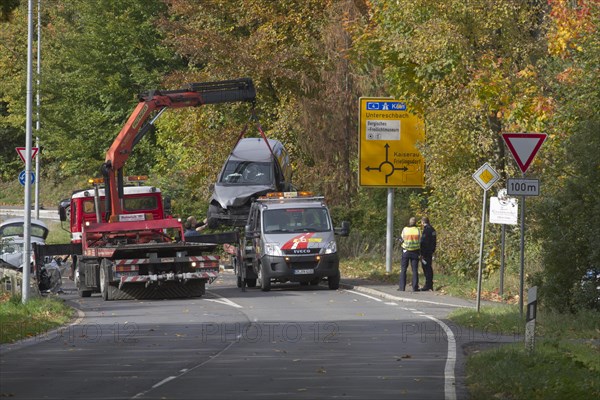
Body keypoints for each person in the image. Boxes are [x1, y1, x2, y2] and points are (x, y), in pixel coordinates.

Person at [398, 217, 421, 292]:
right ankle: (415, 287)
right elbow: (420, 240)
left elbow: (401, 239)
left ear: (409, 222)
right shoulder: (418, 230)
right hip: (415, 251)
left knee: (403, 269)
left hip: (406, 251)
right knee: (415, 270)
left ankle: (402, 287)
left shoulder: (405, 229)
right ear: (415, 223)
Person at [420, 216, 437, 291]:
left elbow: (423, 242)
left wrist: (421, 253)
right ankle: (430, 284)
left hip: (426, 252)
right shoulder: (433, 230)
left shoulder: (426, 230)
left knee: (426, 268)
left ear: (423, 222)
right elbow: (434, 241)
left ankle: (428, 285)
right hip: (430, 251)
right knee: (429, 267)